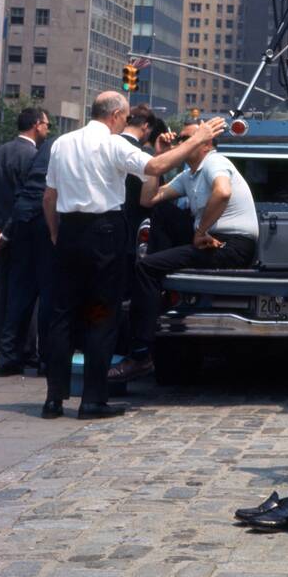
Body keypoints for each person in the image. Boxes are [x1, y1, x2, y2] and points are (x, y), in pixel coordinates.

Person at [41, 93, 223, 420]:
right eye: (125, 118)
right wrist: (197, 138)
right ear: (115, 115)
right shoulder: (113, 145)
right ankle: (93, 400)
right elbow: (155, 166)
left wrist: (55, 234)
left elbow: (49, 197)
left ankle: (53, 398)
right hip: (103, 235)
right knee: (100, 315)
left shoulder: (62, 143)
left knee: (61, 315)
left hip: (69, 232)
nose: (125, 123)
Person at [126, 117, 260, 376]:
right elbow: (149, 199)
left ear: (206, 145)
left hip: (233, 245)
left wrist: (200, 232)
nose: (181, 144)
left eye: (188, 140)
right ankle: (160, 284)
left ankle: (141, 351)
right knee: (163, 212)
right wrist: (159, 157)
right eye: (181, 140)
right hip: (214, 240)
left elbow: (222, 192)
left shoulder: (215, 162)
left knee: (147, 268)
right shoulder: (189, 175)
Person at [0, 108, 49, 374]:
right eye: (46, 124)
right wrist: (7, 232)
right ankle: (25, 350)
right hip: (22, 233)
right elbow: (26, 199)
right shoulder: (34, 156)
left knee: (4, 290)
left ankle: (1, 348)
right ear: (36, 125)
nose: (48, 129)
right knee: (27, 294)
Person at [111, 104, 167, 381]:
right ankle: (120, 359)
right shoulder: (141, 158)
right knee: (121, 305)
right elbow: (149, 200)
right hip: (128, 238)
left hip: (93, 233)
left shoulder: (100, 146)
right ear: (146, 127)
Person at [0, 137, 56, 374]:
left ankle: (7, 357)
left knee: (19, 291)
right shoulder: (69, 146)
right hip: (44, 215)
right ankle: (46, 359)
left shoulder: (46, 147)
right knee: (48, 292)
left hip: (23, 214)